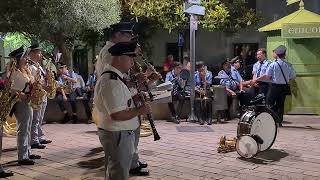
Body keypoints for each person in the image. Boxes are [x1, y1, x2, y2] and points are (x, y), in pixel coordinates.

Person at [94, 41, 152, 180]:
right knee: (118, 173)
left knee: (117, 171)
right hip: (118, 133)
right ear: (120, 58)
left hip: (119, 132)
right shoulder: (112, 82)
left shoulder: (116, 78)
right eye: (130, 58)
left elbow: (123, 98)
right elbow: (117, 115)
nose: (132, 63)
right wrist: (140, 110)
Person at [9, 47, 41, 165]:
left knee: (27, 127)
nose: (27, 59)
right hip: (20, 101)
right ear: (18, 59)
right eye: (25, 57)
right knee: (23, 128)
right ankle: (22, 156)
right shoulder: (13, 72)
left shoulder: (25, 70)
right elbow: (9, 88)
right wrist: (22, 95)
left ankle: (27, 152)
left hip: (28, 100)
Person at [253, 45, 296, 127]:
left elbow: (268, 76)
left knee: (269, 104)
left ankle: (270, 121)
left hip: (274, 86)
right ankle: (279, 121)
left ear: (277, 54)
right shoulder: (289, 65)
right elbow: (293, 76)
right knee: (281, 104)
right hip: (284, 87)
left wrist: (257, 79)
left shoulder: (273, 64)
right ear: (285, 54)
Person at [27, 44, 52, 150]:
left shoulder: (39, 66)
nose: (40, 55)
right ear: (32, 53)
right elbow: (34, 81)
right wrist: (45, 87)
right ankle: (34, 140)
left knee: (40, 117)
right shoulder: (31, 66)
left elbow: (42, 78)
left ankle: (39, 136)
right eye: (38, 52)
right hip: (37, 94)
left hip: (43, 93)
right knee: (35, 118)